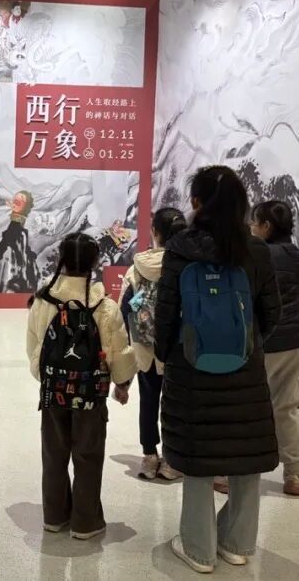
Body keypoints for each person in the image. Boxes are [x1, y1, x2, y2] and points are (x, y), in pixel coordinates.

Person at [155, 166, 280, 573]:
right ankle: (237, 544)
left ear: (195, 202)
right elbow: (272, 315)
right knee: (245, 457)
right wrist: (245, 343)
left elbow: (166, 314)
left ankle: (199, 549)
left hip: (191, 369)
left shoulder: (180, 249)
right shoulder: (256, 250)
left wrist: (166, 354)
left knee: (198, 459)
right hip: (245, 372)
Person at [27, 233, 137, 540]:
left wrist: (50, 377)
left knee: (54, 454)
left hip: (53, 393)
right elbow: (119, 352)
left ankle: (54, 516)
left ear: (62, 259)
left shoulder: (43, 301)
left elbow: (34, 349)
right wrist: (122, 384)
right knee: (88, 455)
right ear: (95, 262)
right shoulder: (104, 305)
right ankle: (85, 522)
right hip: (91, 395)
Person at [119, 208, 187, 481]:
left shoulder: (138, 265)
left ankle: (149, 456)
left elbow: (125, 309)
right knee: (176, 404)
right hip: (179, 349)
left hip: (145, 347)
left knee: (148, 402)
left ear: (155, 233)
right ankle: (171, 459)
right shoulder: (187, 264)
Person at [249, 200, 299, 496]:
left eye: (255, 223)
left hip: (266, 342)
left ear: (266, 226)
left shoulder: (261, 255)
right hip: (295, 343)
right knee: (287, 407)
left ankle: (234, 474)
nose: (252, 228)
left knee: (249, 408)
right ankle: (294, 474)